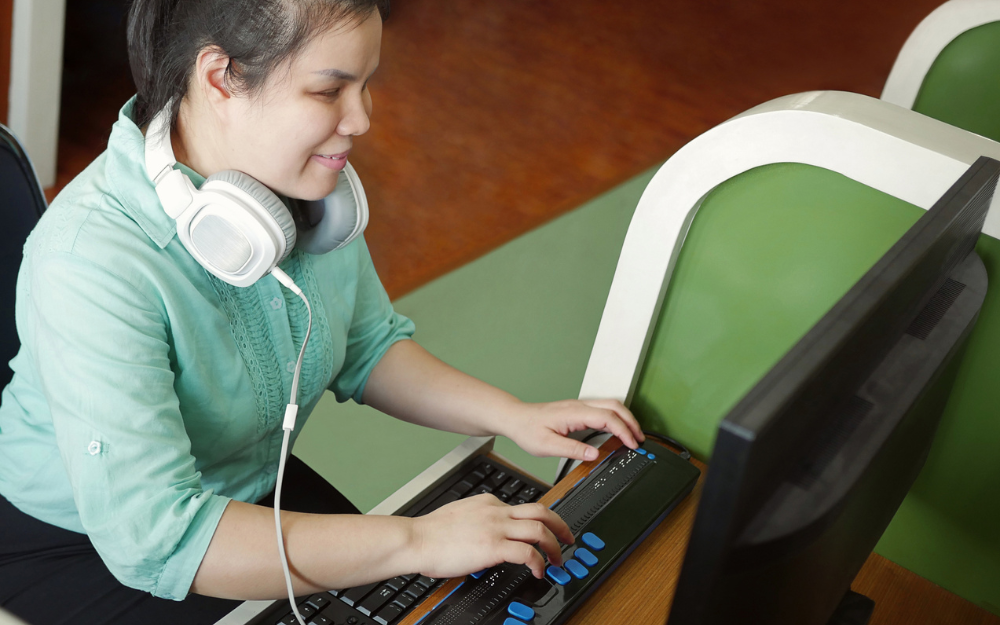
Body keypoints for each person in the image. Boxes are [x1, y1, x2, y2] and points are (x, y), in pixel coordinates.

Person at [0, 1, 644, 623]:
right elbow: (160, 537)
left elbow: (367, 344)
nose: (361, 118)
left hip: (246, 490)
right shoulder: (88, 260)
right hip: (88, 542)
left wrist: (514, 416)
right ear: (221, 77)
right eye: (328, 90)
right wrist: (417, 541)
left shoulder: (301, 193)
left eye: (365, 84)